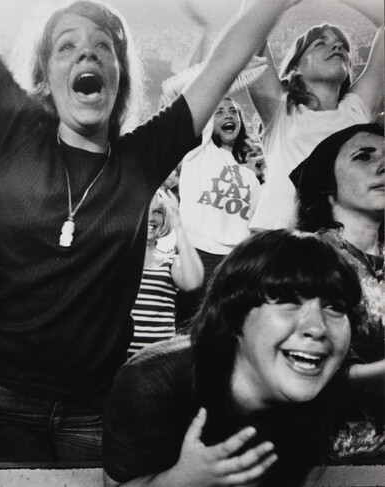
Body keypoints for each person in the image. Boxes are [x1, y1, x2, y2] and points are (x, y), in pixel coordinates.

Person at [0, 0, 304, 461]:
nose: (86, 55)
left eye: (101, 47)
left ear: (119, 77)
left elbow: (225, 62)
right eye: (66, 46)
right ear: (46, 77)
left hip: (95, 406)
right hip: (4, 402)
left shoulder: (142, 158)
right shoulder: (14, 131)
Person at [103, 229, 362, 487]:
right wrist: (181, 481)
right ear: (235, 318)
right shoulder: (152, 383)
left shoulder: (322, 382)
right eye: (288, 301)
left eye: (335, 307)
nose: (317, 328)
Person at [291, 122, 384, 463]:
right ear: (327, 186)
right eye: (364, 156)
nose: (383, 164)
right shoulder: (306, 257)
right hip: (333, 462)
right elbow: (301, 376)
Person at [247, 0, 383, 230]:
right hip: (280, 244)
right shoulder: (281, 109)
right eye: (321, 43)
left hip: (343, 244)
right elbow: (248, 35)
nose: (337, 47)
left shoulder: (356, 109)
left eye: (342, 46)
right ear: (295, 66)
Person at [176, 96, 262, 328]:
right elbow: (199, 111)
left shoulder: (250, 177)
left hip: (233, 260)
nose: (228, 115)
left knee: (224, 330)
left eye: (234, 111)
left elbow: (255, 225)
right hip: (197, 254)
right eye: (220, 111)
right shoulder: (198, 153)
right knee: (188, 330)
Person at [128, 188, 203, 356]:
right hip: (116, 359)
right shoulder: (118, 260)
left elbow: (193, 282)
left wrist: (178, 225)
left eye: (158, 212)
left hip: (156, 360)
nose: (151, 218)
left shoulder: (170, 262)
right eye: (144, 211)